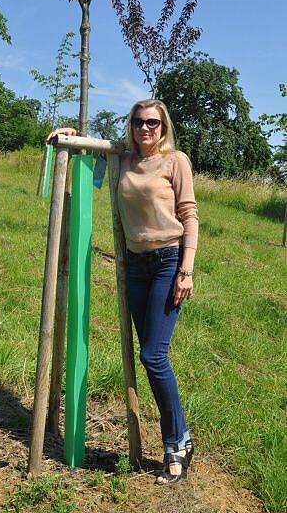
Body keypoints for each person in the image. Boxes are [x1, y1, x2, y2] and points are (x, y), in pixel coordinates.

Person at [47, 98, 198, 485]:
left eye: (152, 122)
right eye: (137, 122)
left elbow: (189, 214)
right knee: (152, 356)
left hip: (167, 262)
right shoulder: (124, 159)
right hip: (134, 267)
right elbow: (93, 158)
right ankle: (181, 437)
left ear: (163, 126)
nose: (144, 128)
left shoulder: (175, 161)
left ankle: (175, 443)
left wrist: (186, 269)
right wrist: (71, 137)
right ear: (130, 126)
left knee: (153, 354)